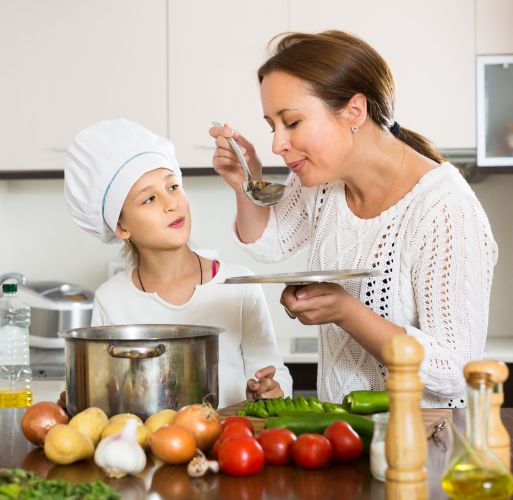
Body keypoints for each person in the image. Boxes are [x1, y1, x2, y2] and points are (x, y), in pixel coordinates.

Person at [209, 30, 498, 408]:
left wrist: (346, 311)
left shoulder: (443, 208)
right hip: (343, 435)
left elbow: (454, 371)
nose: (277, 144)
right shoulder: (323, 183)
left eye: (291, 122)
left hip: (425, 445)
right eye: (272, 126)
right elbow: (270, 243)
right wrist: (244, 182)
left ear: (354, 111)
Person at [64, 119, 292, 408]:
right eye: (148, 199)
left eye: (173, 186)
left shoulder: (238, 285)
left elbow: (275, 373)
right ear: (121, 227)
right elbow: (105, 397)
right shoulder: (111, 299)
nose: (170, 203)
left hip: (232, 446)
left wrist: (272, 389)